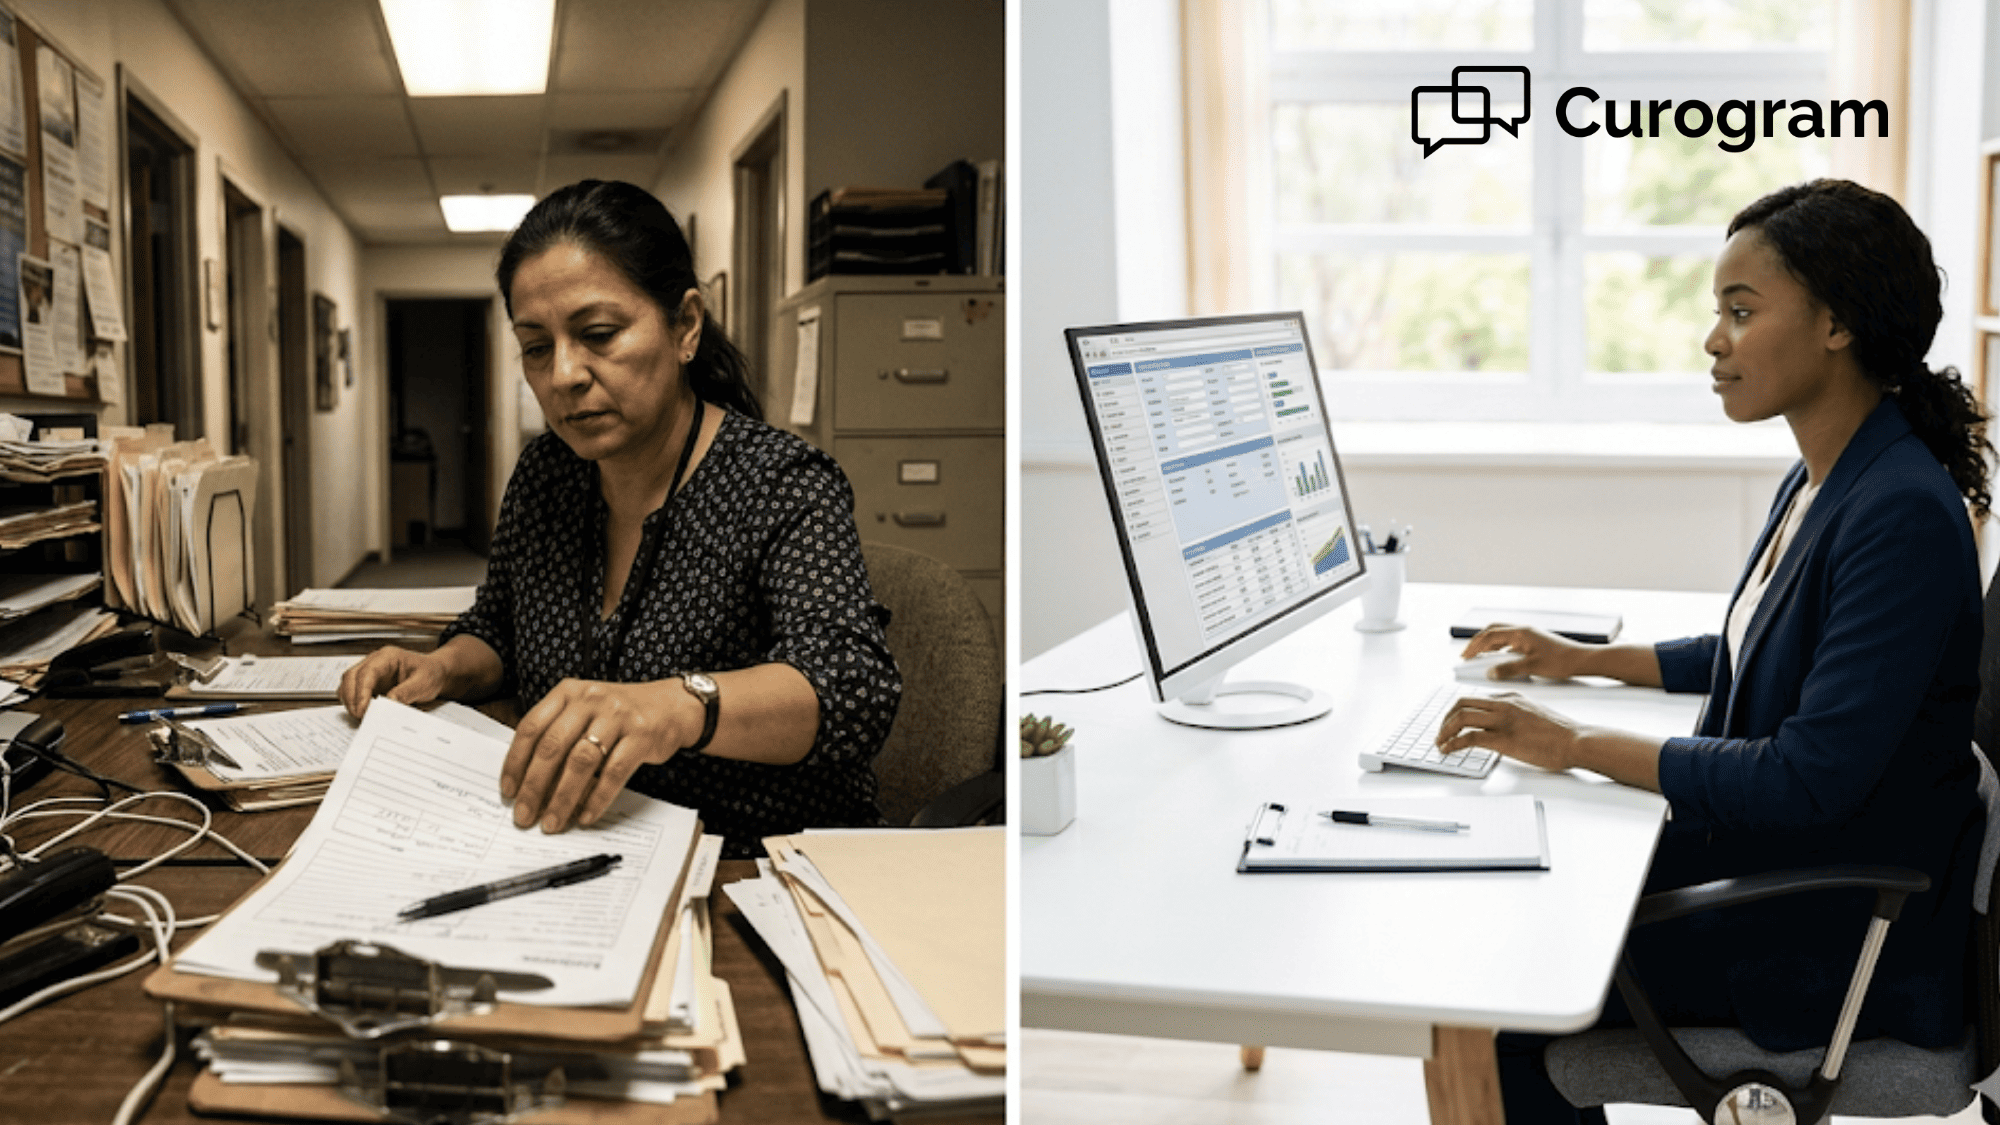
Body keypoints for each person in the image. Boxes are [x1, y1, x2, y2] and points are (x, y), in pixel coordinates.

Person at [1438, 179, 1991, 1121]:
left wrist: (1572, 742)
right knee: (1522, 885)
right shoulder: (1828, 473)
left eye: (1741, 310)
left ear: (1838, 323)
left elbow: (1803, 779)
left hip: (1818, 938)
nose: (1714, 340)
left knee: (1503, 985)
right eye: (1717, 312)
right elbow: (1752, 649)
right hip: (1778, 873)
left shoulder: (1897, 511)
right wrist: (1578, 661)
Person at [339, 179, 901, 858]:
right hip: (580, 847)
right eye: (537, 347)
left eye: (598, 334)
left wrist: (677, 704)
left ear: (685, 325)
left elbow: (851, 687)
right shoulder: (549, 472)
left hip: (754, 865)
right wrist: (444, 666)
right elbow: (500, 626)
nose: (565, 374)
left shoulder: (779, 483)